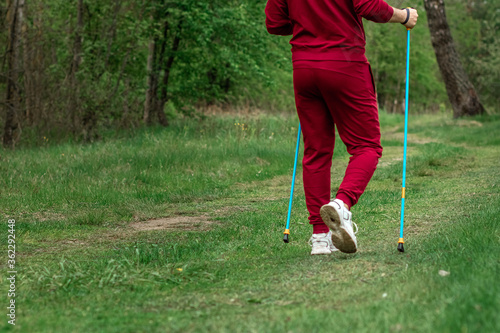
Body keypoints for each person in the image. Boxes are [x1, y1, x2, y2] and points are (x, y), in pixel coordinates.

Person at [265, 0, 418, 255]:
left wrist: (311, 23)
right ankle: (342, 204)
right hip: (345, 63)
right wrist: (404, 16)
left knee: (316, 150)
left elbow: (275, 23)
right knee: (366, 146)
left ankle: (320, 239)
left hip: (304, 68)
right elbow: (369, 7)